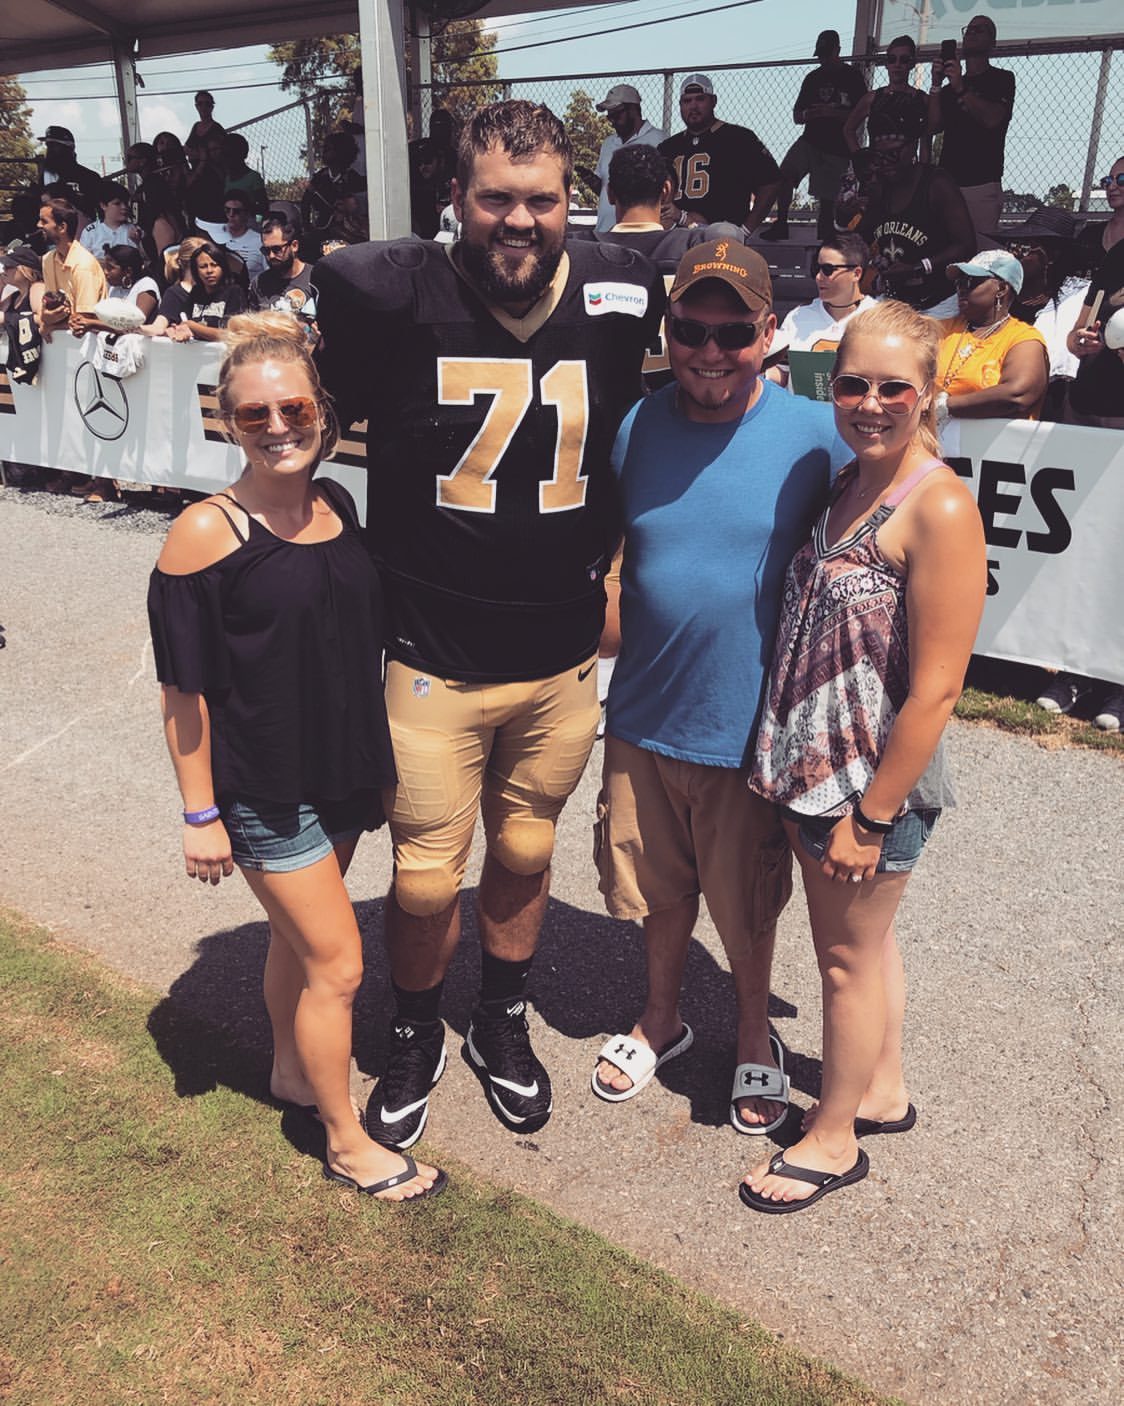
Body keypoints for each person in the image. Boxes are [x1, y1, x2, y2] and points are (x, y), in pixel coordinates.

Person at [314, 99, 664, 1150]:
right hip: (432, 647)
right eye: (494, 198)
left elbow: (697, 287)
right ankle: (416, 1026)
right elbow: (345, 270)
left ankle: (500, 1015)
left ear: (575, 201)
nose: (519, 221)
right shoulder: (398, 290)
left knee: (521, 846)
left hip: (557, 650)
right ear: (453, 201)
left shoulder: (618, 291)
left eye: (542, 200)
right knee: (424, 871)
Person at [147, 312, 445, 1201]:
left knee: (296, 942)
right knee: (339, 964)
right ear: (225, 422)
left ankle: (288, 1070)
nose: (278, 427)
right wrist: (201, 813)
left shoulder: (336, 505)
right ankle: (347, 1137)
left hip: (342, 766)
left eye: (294, 409)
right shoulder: (206, 533)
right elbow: (182, 694)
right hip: (264, 786)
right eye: (254, 416)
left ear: (325, 412)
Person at [591, 239, 850, 1129]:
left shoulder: (816, 439)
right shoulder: (635, 424)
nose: (708, 350)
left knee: (747, 903)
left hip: (749, 729)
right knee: (657, 890)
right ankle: (660, 1018)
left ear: (769, 332)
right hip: (641, 715)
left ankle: (750, 1034)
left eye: (732, 331)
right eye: (690, 329)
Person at [742, 299, 986, 1213]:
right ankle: (880, 1088)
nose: (870, 402)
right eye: (853, 384)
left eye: (893, 388)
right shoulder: (852, 479)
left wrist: (872, 816)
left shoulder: (941, 504)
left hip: (865, 785)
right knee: (868, 950)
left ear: (927, 395)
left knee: (842, 963)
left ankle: (834, 1137)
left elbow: (937, 691)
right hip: (816, 768)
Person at [858, 114, 974, 315]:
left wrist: (918, 267)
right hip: (894, 301)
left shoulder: (936, 184)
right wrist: (841, 220)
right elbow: (861, 239)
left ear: (912, 148)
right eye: (879, 157)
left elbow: (966, 245)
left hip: (938, 302)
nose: (885, 162)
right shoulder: (880, 187)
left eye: (893, 154)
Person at [760, 29, 867, 242]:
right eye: (821, 55)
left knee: (828, 199)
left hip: (837, 147)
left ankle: (824, 243)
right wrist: (811, 113)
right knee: (784, 176)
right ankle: (781, 223)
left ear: (838, 50)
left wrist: (833, 113)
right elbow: (797, 115)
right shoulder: (813, 78)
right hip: (810, 140)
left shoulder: (852, 76)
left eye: (827, 54)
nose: (824, 59)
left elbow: (862, 112)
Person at [928, 14, 1015, 244]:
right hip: (948, 183)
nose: (972, 33)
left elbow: (993, 118)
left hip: (982, 183)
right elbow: (933, 126)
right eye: (969, 29)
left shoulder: (1002, 79)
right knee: (944, 249)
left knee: (980, 255)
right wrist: (936, 86)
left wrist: (960, 87)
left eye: (981, 29)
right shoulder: (947, 90)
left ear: (993, 42)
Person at [935, 249, 1048, 423]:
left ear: (1001, 288)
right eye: (959, 282)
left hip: (992, 446)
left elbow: (1017, 394)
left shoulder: (1023, 338)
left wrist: (946, 406)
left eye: (971, 281)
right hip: (934, 443)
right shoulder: (943, 328)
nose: (961, 289)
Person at [659, 75, 780, 235]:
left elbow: (771, 183)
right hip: (675, 235)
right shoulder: (668, 147)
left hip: (723, 237)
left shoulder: (739, 138)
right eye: (687, 101)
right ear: (680, 105)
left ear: (713, 101)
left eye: (700, 99)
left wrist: (745, 230)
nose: (693, 106)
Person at [766, 232, 878, 394]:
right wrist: (761, 375)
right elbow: (783, 373)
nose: (818, 277)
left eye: (828, 269)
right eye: (816, 268)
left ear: (856, 273)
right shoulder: (798, 318)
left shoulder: (880, 319)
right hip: (805, 417)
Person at [1065, 156, 1124, 431]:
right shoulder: (1116, 257)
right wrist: (1079, 341)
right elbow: (1077, 332)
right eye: (1107, 181)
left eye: (1122, 179)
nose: (1112, 186)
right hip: (1087, 401)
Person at [575, 84, 667, 235]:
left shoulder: (659, 140)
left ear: (633, 110)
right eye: (609, 116)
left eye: (616, 115)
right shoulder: (608, 143)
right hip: (605, 231)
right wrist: (593, 181)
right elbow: (609, 193)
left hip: (640, 235)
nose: (612, 120)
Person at [843, 36, 929, 165]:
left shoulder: (922, 99)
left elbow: (926, 142)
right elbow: (848, 129)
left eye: (904, 60)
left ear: (912, 64)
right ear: (887, 64)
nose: (897, 65)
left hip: (908, 173)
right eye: (892, 59)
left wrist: (924, 174)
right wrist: (861, 159)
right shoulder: (871, 99)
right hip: (877, 172)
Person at [36, 197, 108, 336]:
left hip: (89, 348)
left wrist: (50, 325)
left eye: (44, 221)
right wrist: (46, 318)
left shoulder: (84, 264)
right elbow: (49, 307)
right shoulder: (48, 260)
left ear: (62, 227)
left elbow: (84, 320)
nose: (38, 225)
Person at [165, 241, 246, 342]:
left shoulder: (234, 292)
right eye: (203, 267)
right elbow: (183, 323)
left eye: (214, 265)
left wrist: (192, 326)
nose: (209, 271)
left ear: (223, 267)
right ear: (196, 271)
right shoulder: (195, 293)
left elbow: (230, 334)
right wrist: (177, 330)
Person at [301, 134, 365, 249]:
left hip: (348, 233)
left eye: (328, 149)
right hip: (323, 230)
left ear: (340, 152)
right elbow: (305, 202)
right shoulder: (319, 177)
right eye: (324, 148)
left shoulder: (353, 178)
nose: (323, 152)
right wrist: (307, 226)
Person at [250, 216, 315, 321]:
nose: (271, 256)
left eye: (277, 249)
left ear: (294, 246)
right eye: (266, 250)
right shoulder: (259, 283)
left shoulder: (315, 278)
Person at [35, 125, 100, 224]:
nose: (50, 151)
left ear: (69, 148)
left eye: (55, 146)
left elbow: (100, 211)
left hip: (83, 231)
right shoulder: (45, 177)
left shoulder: (89, 177)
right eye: (48, 146)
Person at [0, 245, 46, 387]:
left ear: (25, 269)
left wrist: (7, 319)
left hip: (40, 366)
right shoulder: (13, 296)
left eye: (9, 266)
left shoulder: (37, 288)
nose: (4, 270)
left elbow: (43, 319)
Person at [78, 181, 143, 265]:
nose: (124, 207)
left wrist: (138, 243)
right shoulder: (90, 232)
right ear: (103, 205)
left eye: (126, 203)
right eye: (117, 203)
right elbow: (83, 262)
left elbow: (144, 261)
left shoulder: (134, 230)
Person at [216, 191, 265, 278]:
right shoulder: (214, 237)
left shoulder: (260, 241)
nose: (231, 215)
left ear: (247, 214)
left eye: (236, 211)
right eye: (227, 210)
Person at [221, 133, 269, 218]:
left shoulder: (254, 178)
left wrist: (257, 222)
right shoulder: (226, 178)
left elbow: (263, 206)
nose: (227, 159)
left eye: (230, 155)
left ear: (242, 154)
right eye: (225, 155)